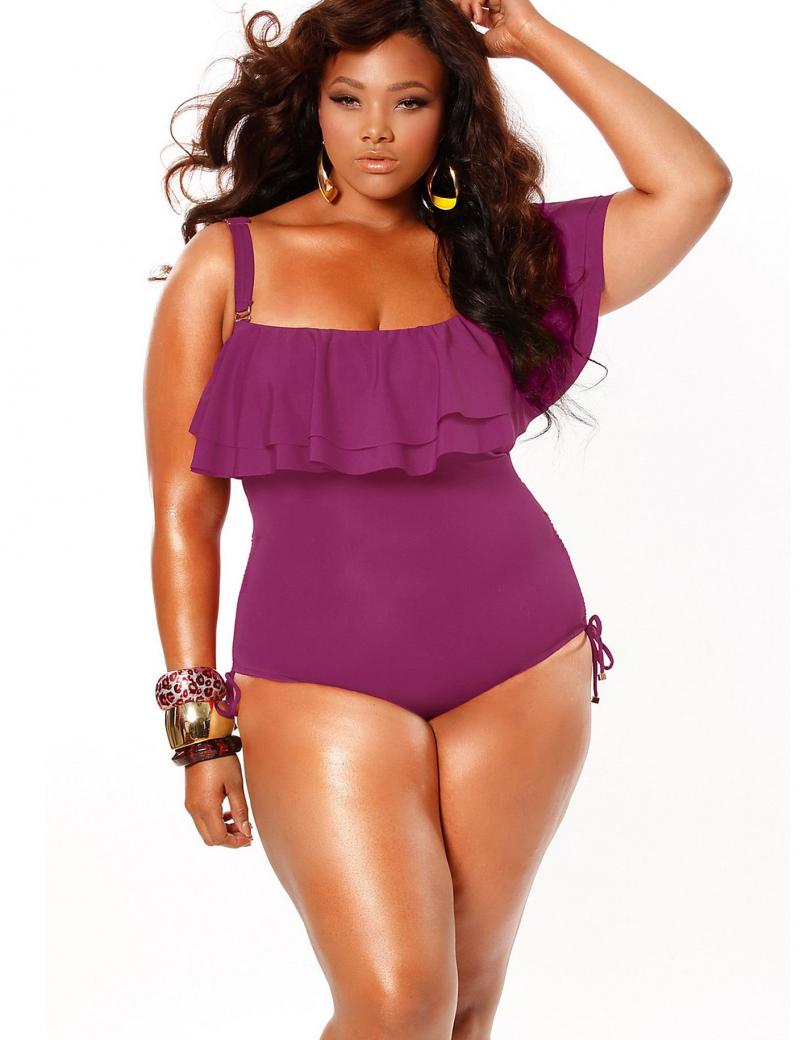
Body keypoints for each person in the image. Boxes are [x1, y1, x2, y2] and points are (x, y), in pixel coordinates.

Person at [143, 1, 732, 1036]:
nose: (376, 129)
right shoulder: (228, 267)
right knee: (396, 1002)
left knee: (464, 1001)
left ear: (450, 111)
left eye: (409, 101)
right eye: (348, 99)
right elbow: (185, 512)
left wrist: (530, 35)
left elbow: (692, 184)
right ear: (312, 107)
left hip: (520, 665)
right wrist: (200, 733)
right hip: (315, 676)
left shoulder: (501, 255)